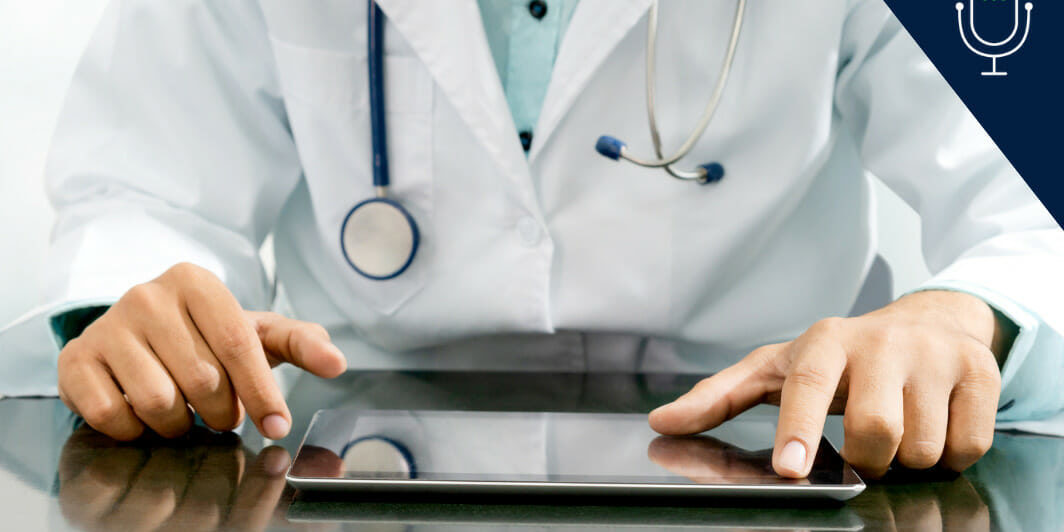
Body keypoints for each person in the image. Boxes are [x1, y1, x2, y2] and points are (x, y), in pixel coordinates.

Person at [45, 0, 1064, 480]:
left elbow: (1034, 201)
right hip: (345, 470)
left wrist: (959, 316)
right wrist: (138, 310)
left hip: (775, 464)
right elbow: (140, 183)